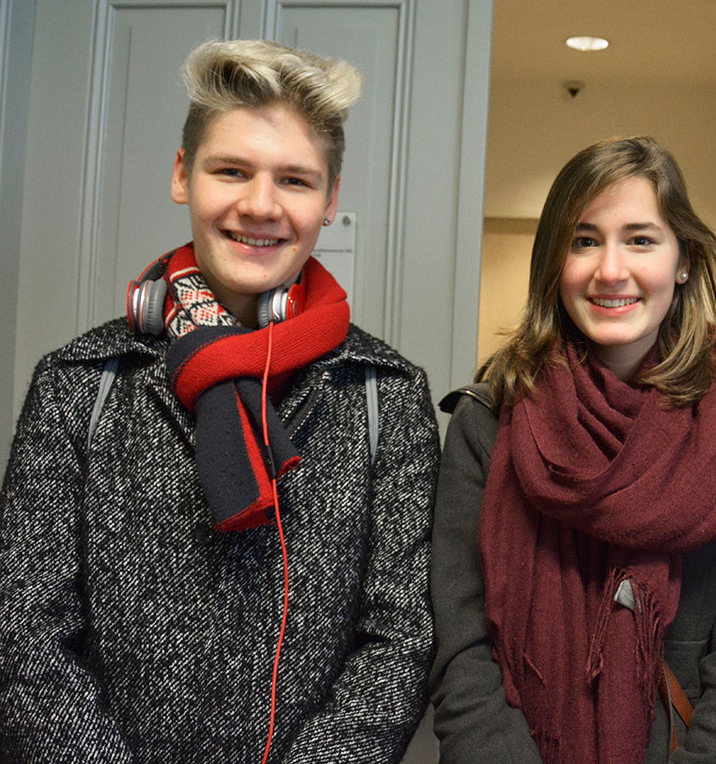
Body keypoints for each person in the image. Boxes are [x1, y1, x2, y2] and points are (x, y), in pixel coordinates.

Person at [0, 39, 439, 762]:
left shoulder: (383, 398)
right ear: (183, 176)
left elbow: (400, 643)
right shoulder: (81, 383)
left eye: (295, 180)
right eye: (231, 170)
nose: (259, 205)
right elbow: (25, 632)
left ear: (331, 199)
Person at [429, 136, 716, 763]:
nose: (610, 270)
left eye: (641, 240)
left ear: (684, 261)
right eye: (584, 240)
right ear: (554, 263)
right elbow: (461, 649)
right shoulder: (486, 422)